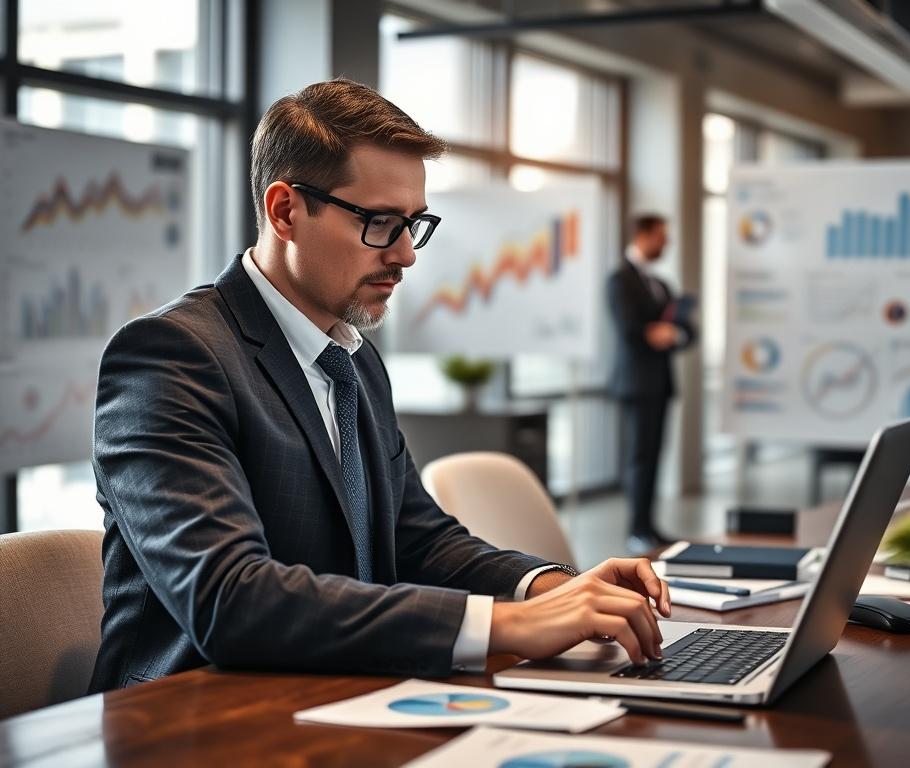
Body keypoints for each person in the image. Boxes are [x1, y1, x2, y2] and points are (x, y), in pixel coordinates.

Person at [88, 78, 671, 693]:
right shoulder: (171, 357)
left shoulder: (352, 357)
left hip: (340, 692)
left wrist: (553, 588)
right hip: (192, 720)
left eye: (413, 224)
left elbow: (418, 537)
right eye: (380, 222)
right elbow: (230, 598)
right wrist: (509, 624)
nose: (406, 255)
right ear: (285, 210)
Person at [607, 215, 697, 554]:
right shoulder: (620, 280)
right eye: (661, 236)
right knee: (640, 457)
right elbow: (628, 329)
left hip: (660, 383)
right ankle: (636, 529)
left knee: (656, 456)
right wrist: (653, 333)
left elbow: (689, 331)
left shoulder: (661, 284)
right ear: (642, 235)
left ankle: (649, 525)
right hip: (635, 383)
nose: (666, 243)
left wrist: (674, 333)